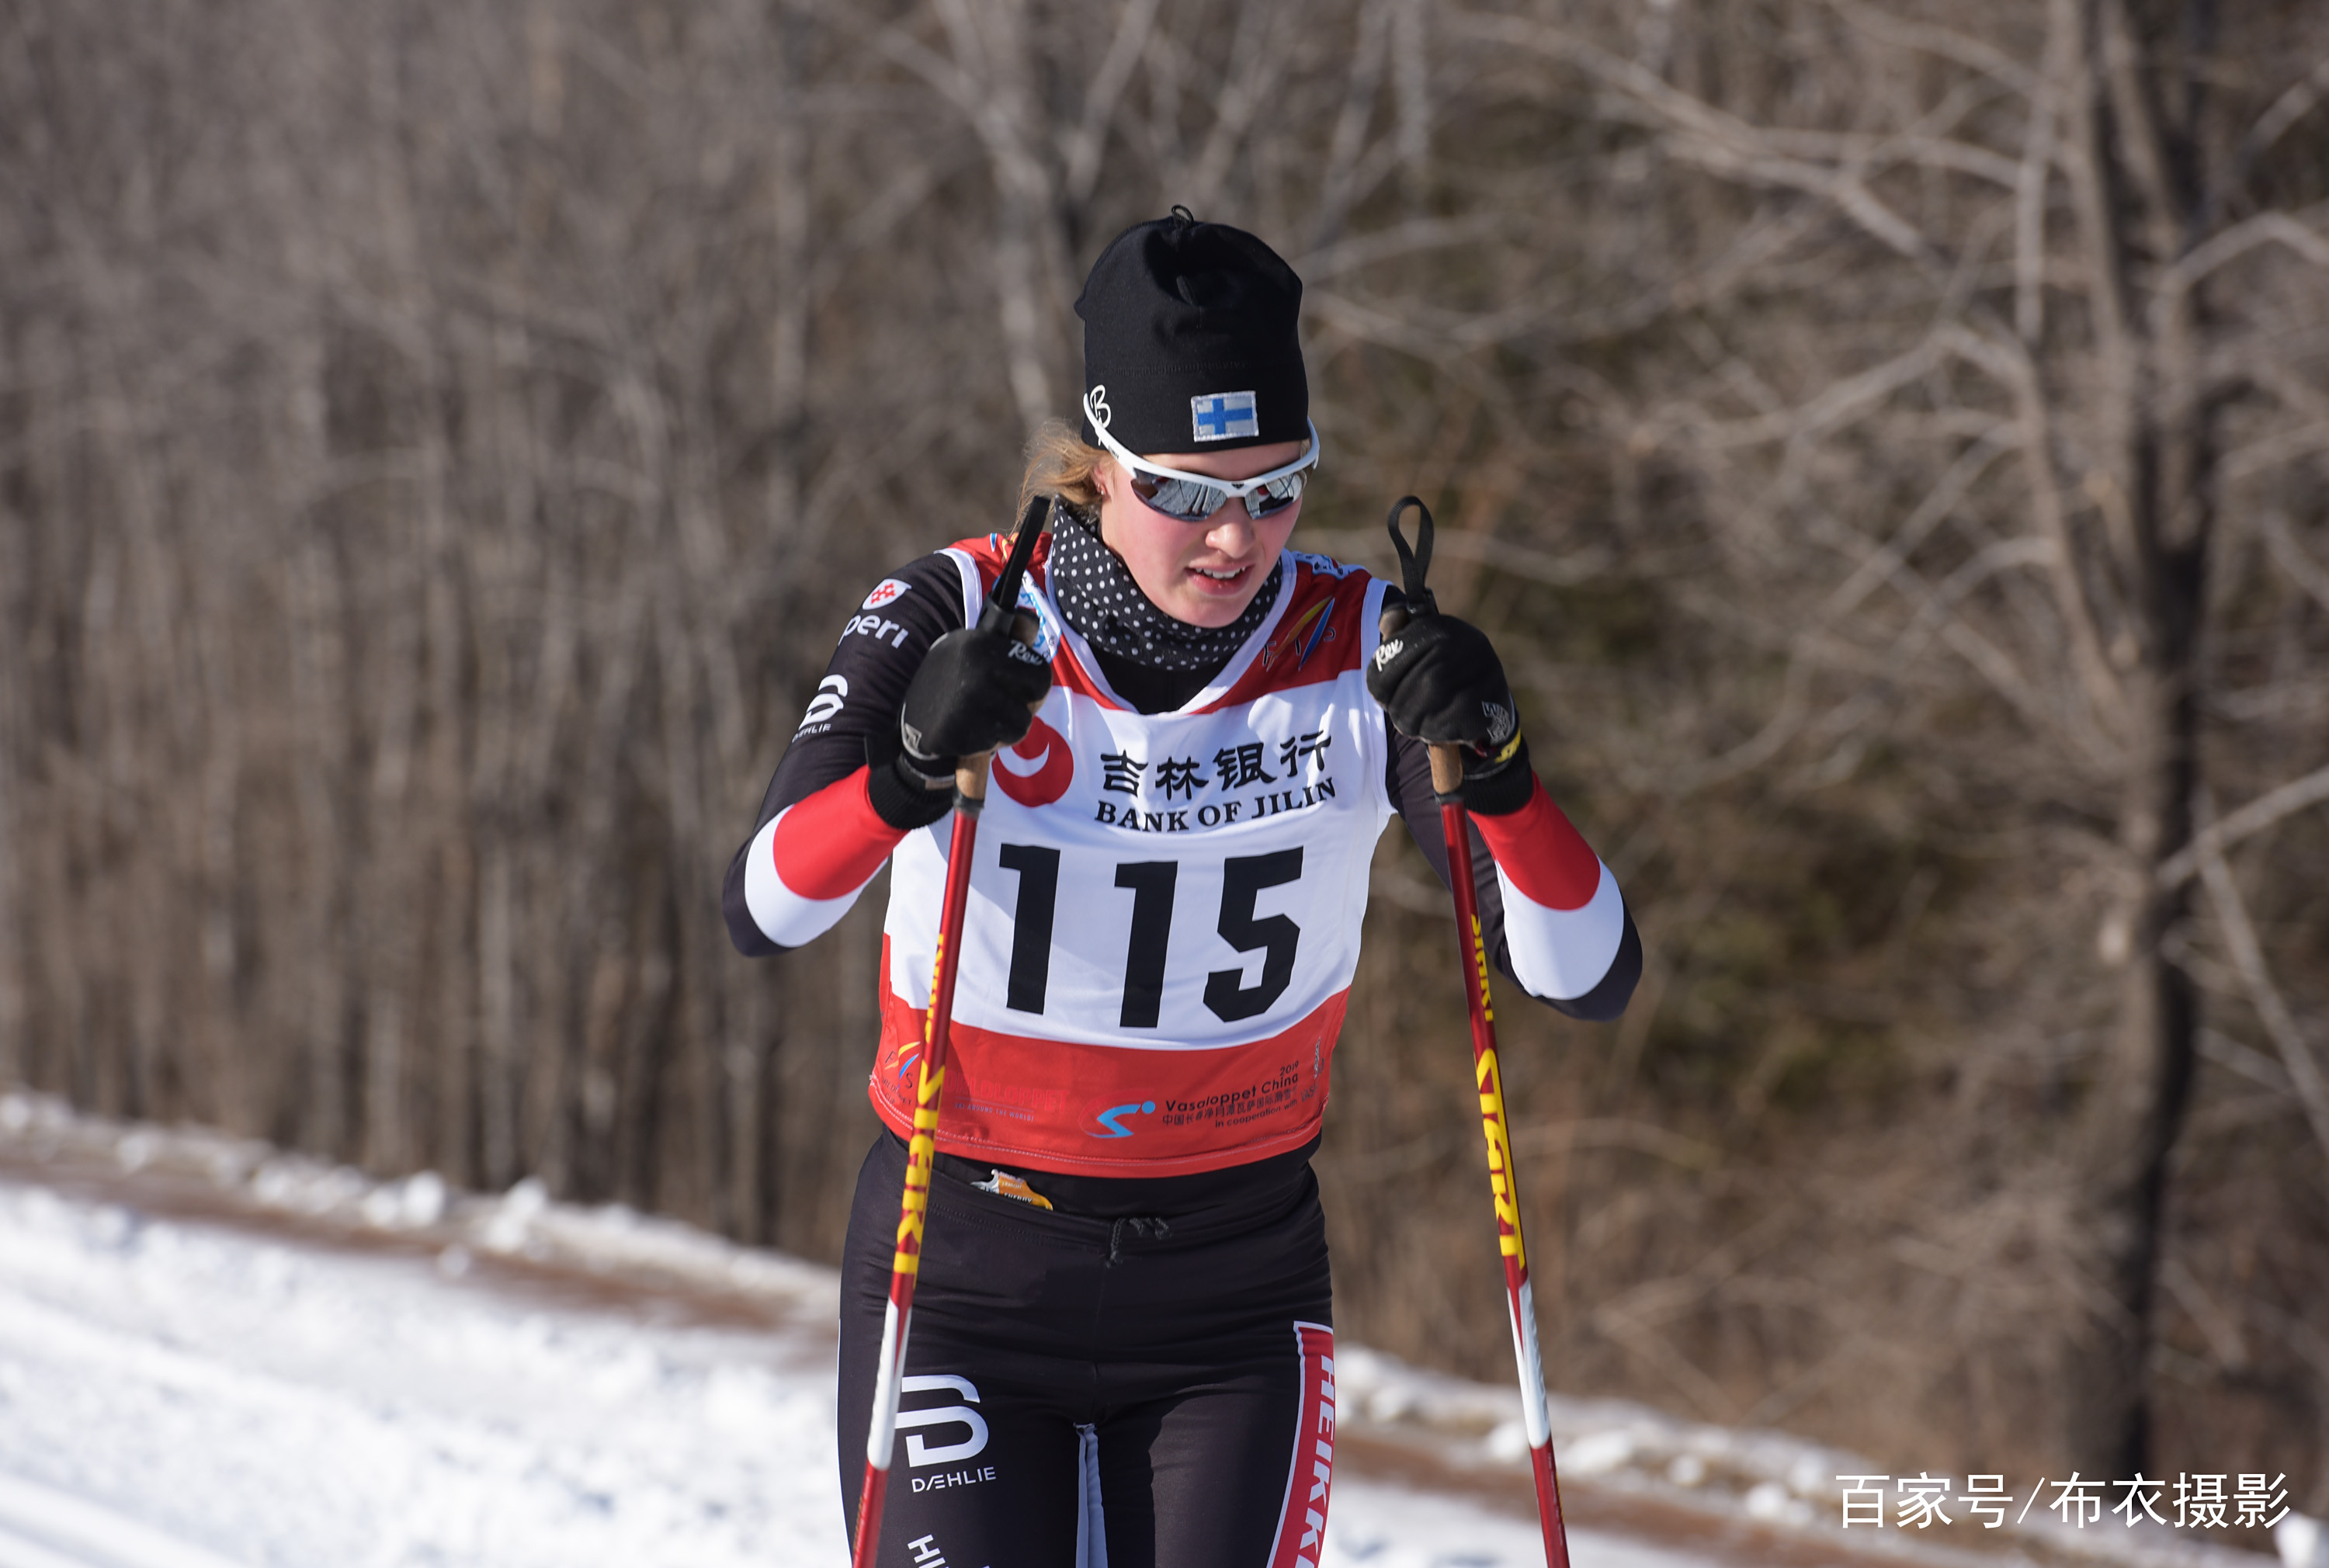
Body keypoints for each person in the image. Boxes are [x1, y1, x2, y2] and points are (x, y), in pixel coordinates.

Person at [724, 209, 1640, 1568]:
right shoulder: (959, 616)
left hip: (1232, 1290)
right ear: (1100, 469)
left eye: (1278, 489)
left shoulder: (1363, 650)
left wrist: (1504, 777)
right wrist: (905, 772)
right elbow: (764, 907)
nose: (1234, 539)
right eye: (1188, 493)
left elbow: (1587, 977)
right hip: (969, 1261)